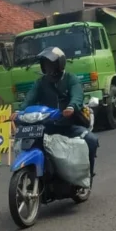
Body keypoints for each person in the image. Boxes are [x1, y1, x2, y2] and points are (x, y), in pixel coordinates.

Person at [19, 47, 99, 180]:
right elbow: (29, 98)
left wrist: (72, 107)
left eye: (50, 64)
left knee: (91, 140)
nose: (47, 68)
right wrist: (19, 112)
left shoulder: (70, 79)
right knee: (26, 142)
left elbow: (77, 95)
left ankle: (87, 174)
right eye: (45, 65)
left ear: (59, 64)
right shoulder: (41, 82)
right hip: (45, 126)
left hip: (68, 126)